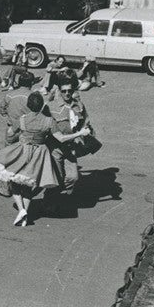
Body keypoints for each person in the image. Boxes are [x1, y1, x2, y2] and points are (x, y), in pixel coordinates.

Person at [0, 91, 89, 226]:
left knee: (14, 181)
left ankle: (21, 210)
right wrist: (80, 133)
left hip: (22, 150)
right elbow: (61, 138)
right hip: (39, 153)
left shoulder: (22, 119)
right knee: (28, 184)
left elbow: (10, 134)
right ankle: (24, 214)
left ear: (29, 105)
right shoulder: (48, 121)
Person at [46, 80, 95, 214]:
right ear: (59, 92)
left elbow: (86, 120)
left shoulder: (78, 106)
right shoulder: (51, 106)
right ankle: (51, 201)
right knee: (56, 177)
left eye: (70, 91)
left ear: (74, 91)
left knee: (73, 177)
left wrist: (86, 130)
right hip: (55, 147)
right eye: (64, 91)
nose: (67, 93)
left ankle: (56, 192)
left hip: (70, 147)